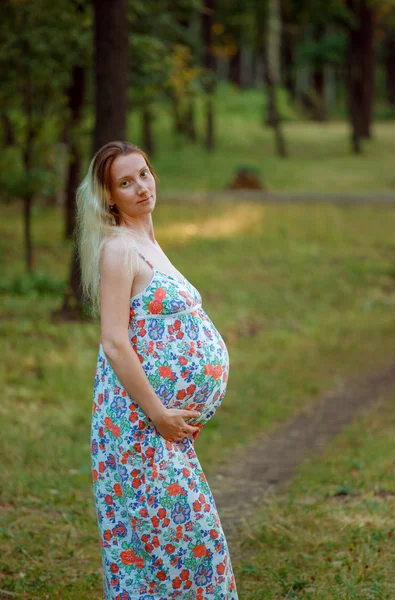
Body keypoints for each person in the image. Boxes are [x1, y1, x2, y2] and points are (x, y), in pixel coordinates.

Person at [76, 141, 238, 600]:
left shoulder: (148, 243)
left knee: (181, 548)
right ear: (110, 197)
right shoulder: (119, 250)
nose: (140, 187)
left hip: (160, 427)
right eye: (125, 183)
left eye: (143, 174)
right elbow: (113, 341)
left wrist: (180, 414)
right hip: (137, 427)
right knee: (184, 547)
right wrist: (159, 414)